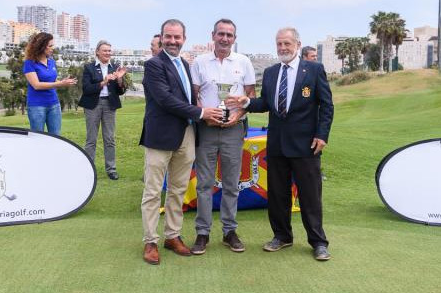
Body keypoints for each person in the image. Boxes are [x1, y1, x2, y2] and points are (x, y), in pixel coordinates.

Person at [228, 27, 334, 261]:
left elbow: (326, 106)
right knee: (277, 195)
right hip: (276, 144)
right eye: (279, 44)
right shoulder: (271, 72)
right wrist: (246, 102)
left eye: (287, 43)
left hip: (306, 145)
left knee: (310, 196)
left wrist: (322, 135)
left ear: (297, 43)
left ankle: (318, 241)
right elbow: (265, 103)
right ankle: (282, 236)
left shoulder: (314, 70)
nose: (283, 48)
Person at [139, 19, 223, 265]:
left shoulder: (185, 64)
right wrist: (201, 113)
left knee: (177, 190)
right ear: (162, 38)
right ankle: (150, 240)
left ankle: (172, 236)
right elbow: (165, 99)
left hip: (186, 134)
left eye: (177, 37)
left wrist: (203, 109)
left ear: (184, 39)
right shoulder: (154, 65)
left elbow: (189, 96)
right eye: (169, 37)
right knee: (153, 191)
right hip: (160, 136)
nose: (173, 41)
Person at [189, 19, 256, 255]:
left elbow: (250, 94)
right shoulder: (199, 62)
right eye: (221, 34)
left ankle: (229, 231)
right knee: (205, 184)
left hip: (233, 129)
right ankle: (202, 233)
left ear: (234, 38)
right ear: (213, 35)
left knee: (231, 183)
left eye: (229, 35)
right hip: (206, 128)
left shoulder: (243, 61)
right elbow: (194, 96)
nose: (225, 38)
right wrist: (205, 116)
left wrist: (238, 115)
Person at [78, 40, 127, 180]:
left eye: (109, 51)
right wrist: (103, 82)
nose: (108, 53)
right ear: (97, 52)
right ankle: (89, 169)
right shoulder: (89, 67)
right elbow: (86, 89)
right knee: (91, 139)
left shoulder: (116, 67)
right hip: (93, 105)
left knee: (110, 139)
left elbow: (121, 91)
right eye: (105, 50)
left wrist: (119, 80)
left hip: (109, 105)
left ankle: (111, 169)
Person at [23, 32, 77, 135]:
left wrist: (63, 82)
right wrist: (60, 84)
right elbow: (36, 85)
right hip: (37, 106)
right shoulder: (29, 63)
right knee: (38, 138)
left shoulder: (51, 62)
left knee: (56, 137)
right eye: (50, 46)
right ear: (41, 46)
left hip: (54, 104)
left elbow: (52, 82)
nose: (52, 48)